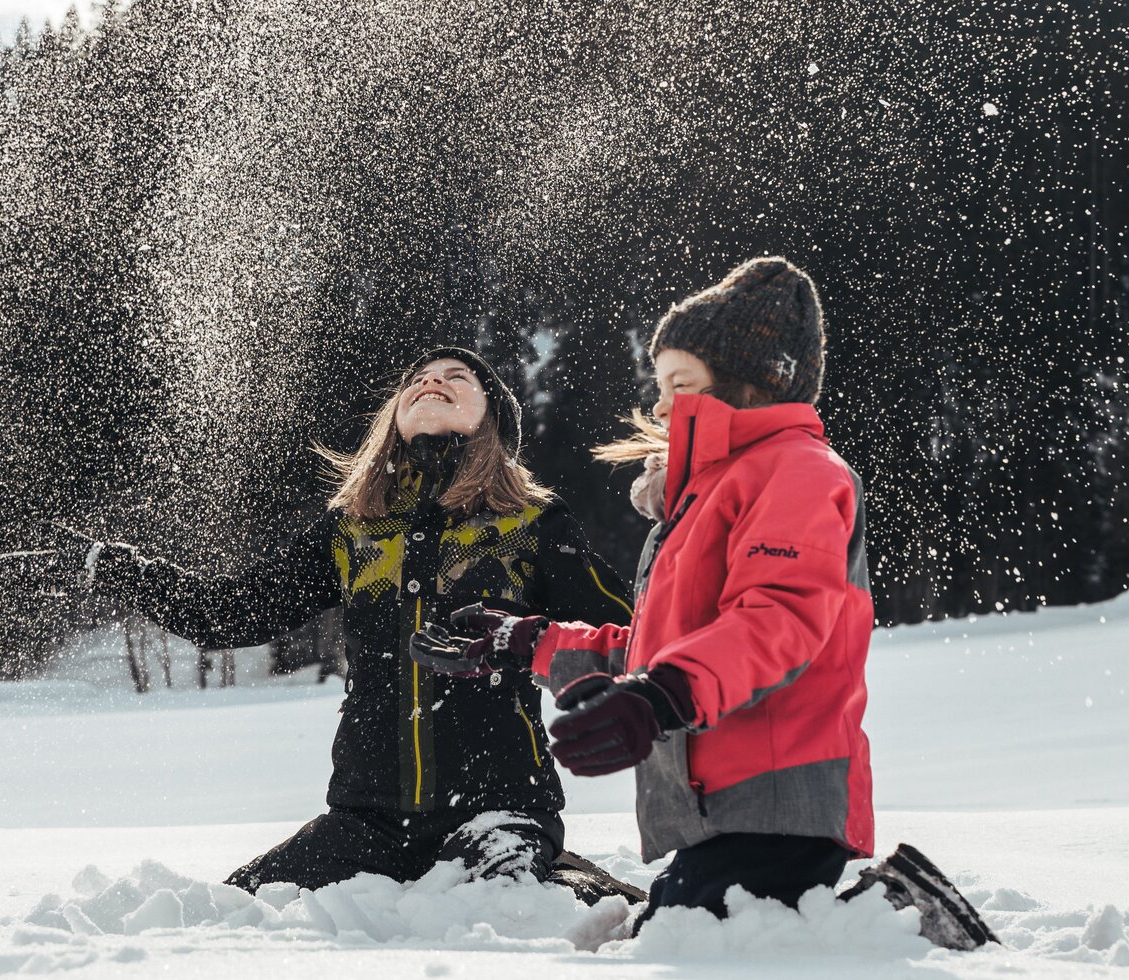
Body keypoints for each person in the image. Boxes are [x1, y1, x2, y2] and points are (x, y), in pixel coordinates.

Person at [412, 262, 999, 949]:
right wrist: (526, 641)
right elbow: (649, 655)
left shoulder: (799, 473)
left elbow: (778, 620)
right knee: (672, 938)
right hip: (715, 804)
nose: (660, 408)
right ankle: (880, 925)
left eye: (679, 386)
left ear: (754, 383)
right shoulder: (698, 503)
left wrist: (659, 696)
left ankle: (902, 925)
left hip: (779, 801)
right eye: (658, 387)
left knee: (696, 950)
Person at [0, 347, 634, 895]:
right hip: (365, 819)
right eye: (418, 378)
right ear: (393, 419)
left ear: (492, 422)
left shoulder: (534, 524)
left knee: (508, 912)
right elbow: (231, 613)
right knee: (237, 916)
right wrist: (113, 569)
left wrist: (526, 644)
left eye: (459, 378)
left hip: (498, 811)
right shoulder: (351, 531)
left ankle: (591, 887)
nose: (433, 380)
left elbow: (628, 638)